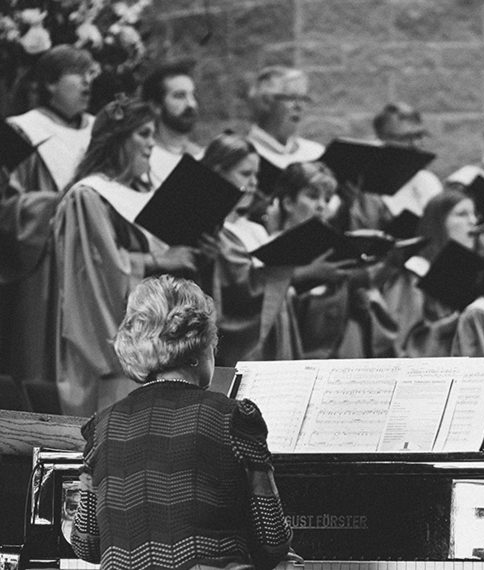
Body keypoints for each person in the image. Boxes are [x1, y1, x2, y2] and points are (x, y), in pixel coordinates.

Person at [70, 275, 292, 569]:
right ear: (200, 350)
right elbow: (272, 540)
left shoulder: (101, 429)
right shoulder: (233, 419)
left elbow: (86, 544)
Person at [54, 97, 205, 416]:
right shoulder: (89, 196)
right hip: (113, 353)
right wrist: (159, 262)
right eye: (144, 134)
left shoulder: (140, 195)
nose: (152, 145)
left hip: (161, 348)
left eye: (153, 135)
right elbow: (96, 274)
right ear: (118, 139)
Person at [0, 45, 97, 385]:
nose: (88, 83)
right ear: (50, 84)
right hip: (47, 264)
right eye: (78, 74)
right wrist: (58, 204)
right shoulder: (22, 131)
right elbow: (7, 208)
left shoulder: (100, 132)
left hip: (98, 261)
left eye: (91, 75)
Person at [270, 161, 396, 358]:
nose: (321, 205)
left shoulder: (332, 248)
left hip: (333, 351)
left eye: (327, 199)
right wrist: (305, 275)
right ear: (288, 203)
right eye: (312, 196)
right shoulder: (270, 247)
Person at [200, 133, 303, 364]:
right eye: (246, 174)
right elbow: (239, 291)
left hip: (274, 341)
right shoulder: (212, 232)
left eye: (256, 174)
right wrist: (299, 274)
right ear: (218, 173)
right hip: (238, 350)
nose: (254, 182)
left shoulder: (255, 229)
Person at [389, 190, 479, 357]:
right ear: (438, 223)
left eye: (474, 214)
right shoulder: (415, 272)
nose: (473, 221)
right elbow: (400, 344)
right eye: (462, 214)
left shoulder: (471, 273)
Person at [246, 66, 324, 172]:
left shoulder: (316, 153)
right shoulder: (243, 155)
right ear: (265, 102)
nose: (299, 106)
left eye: (303, 98)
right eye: (292, 98)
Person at [374, 102, 442, 219]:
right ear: (382, 139)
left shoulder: (429, 180)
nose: (415, 144)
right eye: (406, 138)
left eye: (419, 136)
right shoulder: (367, 184)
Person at [141, 60, 203, 186]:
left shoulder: (202, 157)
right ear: (156, 106)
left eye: (193, 95)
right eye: (180, 96)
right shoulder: (142, 157)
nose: (191, 104)